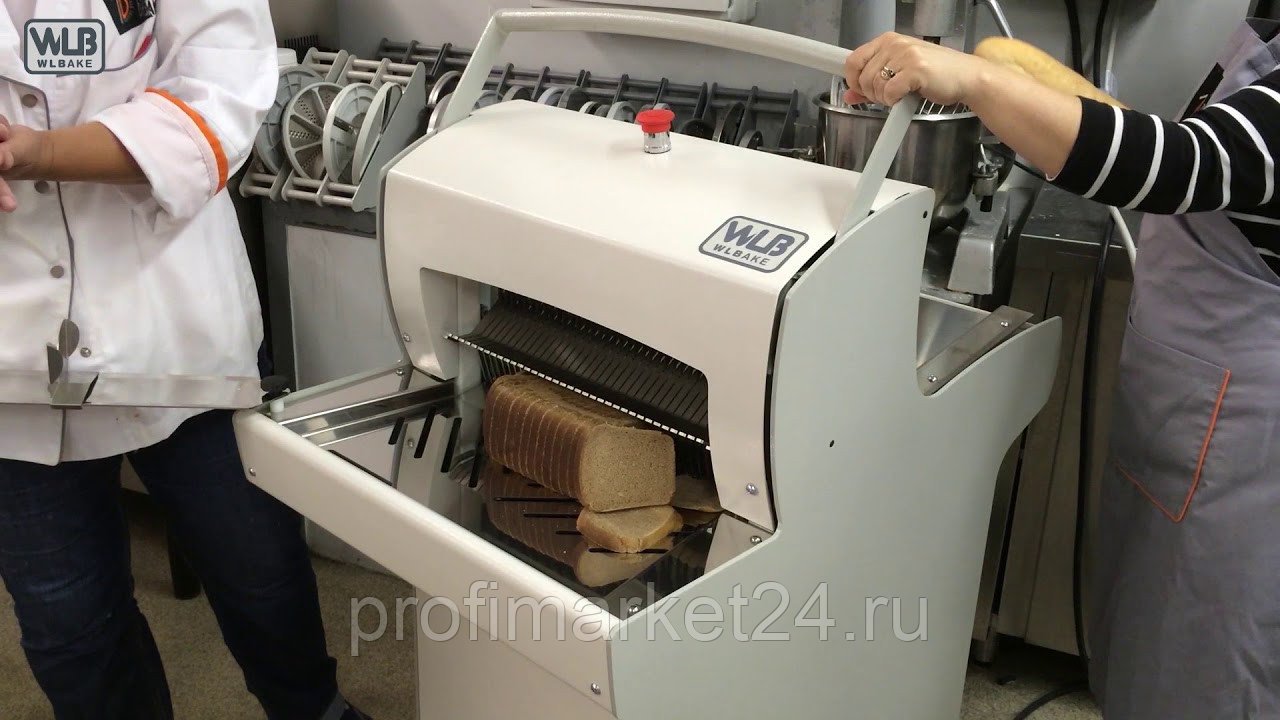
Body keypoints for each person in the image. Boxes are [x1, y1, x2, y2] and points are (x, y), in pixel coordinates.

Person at [846, 17, 1280, 720]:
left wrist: (977, 79)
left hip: (1248, 432)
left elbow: (1183, 164)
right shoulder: (1263, 38)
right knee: (1151, 623)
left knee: (1208, 655)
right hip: (1194, 399)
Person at [0, 1, 370, 718]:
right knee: (67, 621)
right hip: (13, 352)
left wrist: (38, 153)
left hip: (172, 314)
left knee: (259, 573)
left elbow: (220, 89)